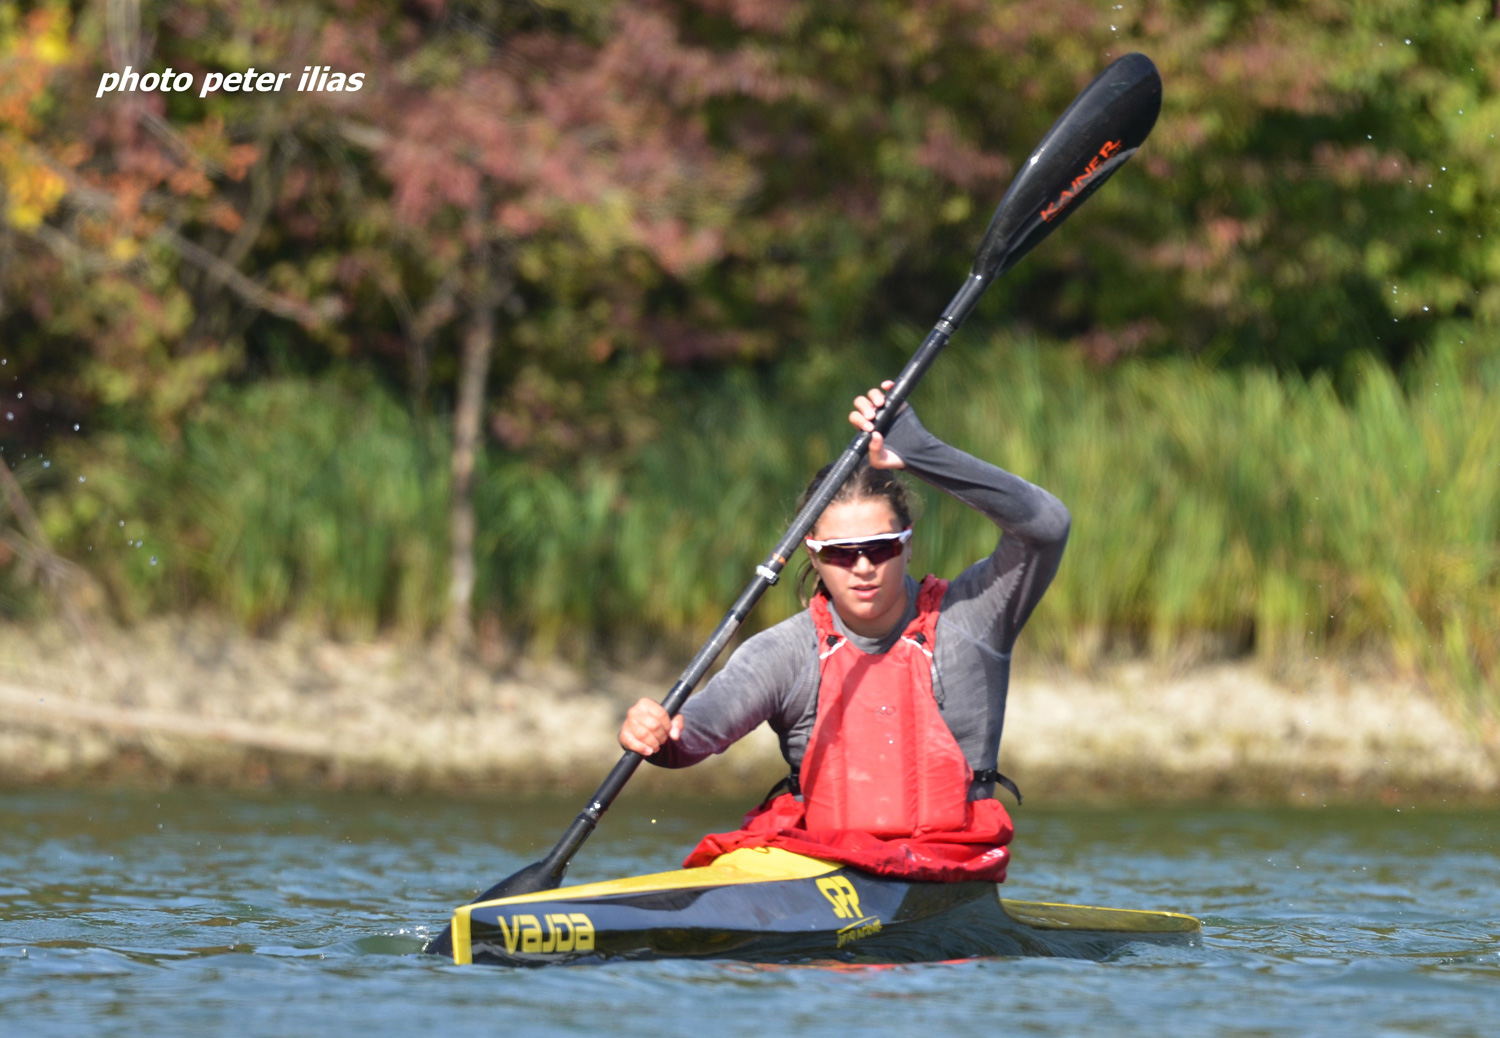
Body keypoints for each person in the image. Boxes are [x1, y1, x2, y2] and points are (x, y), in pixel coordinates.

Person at [618, 381, 1070, 882]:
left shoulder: (973, 618)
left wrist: (923, 454)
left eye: (878, 547)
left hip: (943, 874)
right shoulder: (786, 650)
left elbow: (1047, 527)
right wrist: (661, 733)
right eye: (839, 553)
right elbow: (702, 726)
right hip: (819, 868)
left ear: (908, 545)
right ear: (813, 554)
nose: (861, 567)